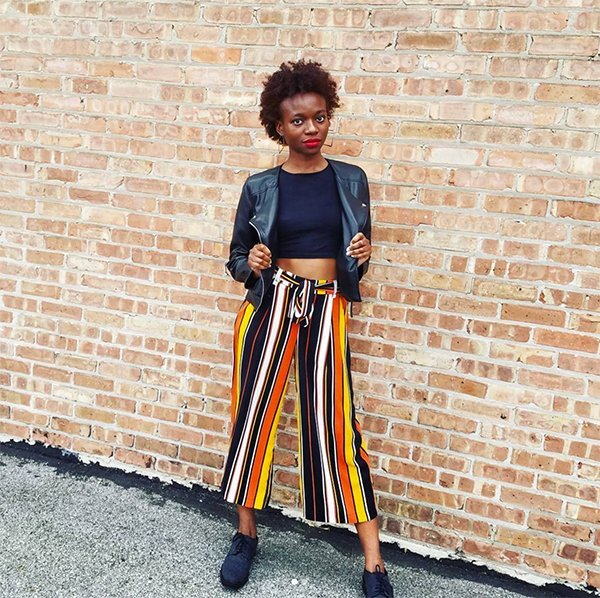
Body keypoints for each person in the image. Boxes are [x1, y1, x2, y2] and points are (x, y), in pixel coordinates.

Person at [219, 60, 394, 598]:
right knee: (252, 420)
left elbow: (355, 257)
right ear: (279, 126)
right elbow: (236, 259)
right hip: (270, 306)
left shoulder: (351, 180)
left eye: (319, 117)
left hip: (327, 307)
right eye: (298, 121)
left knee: (337, 427)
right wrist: (253, 261)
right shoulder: (260, 186)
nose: (311, 128)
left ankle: (374, 563)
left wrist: (361, 254)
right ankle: (246, 534)